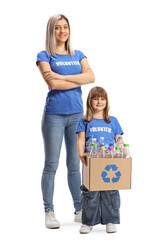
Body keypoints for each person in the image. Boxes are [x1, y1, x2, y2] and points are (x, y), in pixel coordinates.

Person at [36, 14, 95, 229]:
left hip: (77, 116)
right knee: (51, 165)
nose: (62, 31)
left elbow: (91, 78)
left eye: (65, 27)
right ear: (51, 31)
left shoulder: (78, 54)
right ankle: (49, 210)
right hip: (54, 115)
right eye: (58, 28)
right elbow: (53, 85)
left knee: (74, 165)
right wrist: (75, 78)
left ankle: (79, 209)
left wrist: (62, 77)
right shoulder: (44, 55)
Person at [77, 86, 123, 234]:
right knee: (91, 191)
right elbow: (81, 139)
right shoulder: (85, 121)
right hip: (91, 161)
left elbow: (119, 139)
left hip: (109, 161)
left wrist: (123, 148)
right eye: (95, 98)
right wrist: (81, 154)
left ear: (106, 101)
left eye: (102, 99)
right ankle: (88, 222)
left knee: (110, 190)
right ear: (90, 101)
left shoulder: (112, 121)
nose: (99, 102)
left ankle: (110, 220)